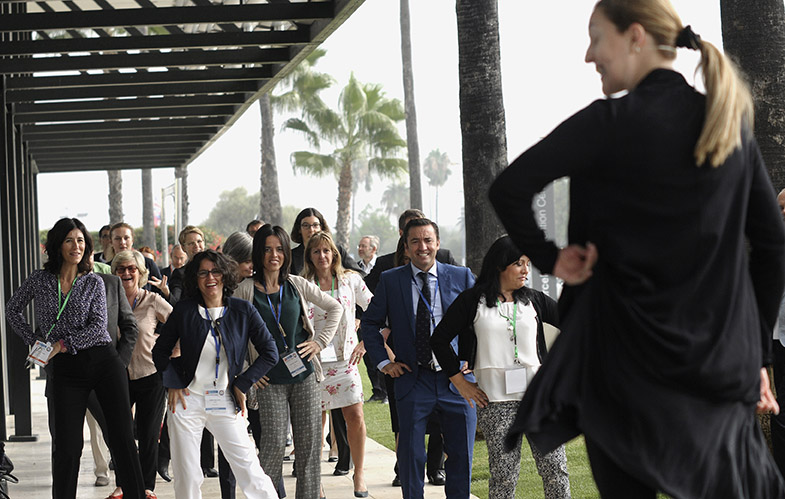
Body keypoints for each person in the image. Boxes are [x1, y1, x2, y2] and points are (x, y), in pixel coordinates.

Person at [489, 1, 785, 497]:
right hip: (713, 364)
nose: (589, 55)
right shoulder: (725, 124)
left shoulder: (608, 123)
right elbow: (773, 243)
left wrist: (552, 257)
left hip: (620, 367)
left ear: (635, 36)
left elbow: (510, 189)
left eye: (595, 37)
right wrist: (754, 353)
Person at [6, 218, 145, 499]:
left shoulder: (93, 281)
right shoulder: (40, 280)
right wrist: (34, 342)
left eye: (81, 240)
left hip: (103, 364)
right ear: (57, 245)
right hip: (66, 372)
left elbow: (97, 328)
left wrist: (60, 345)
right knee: (67, 448)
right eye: (69, 240)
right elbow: (12, 310)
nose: (76, 246)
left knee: (122, 440)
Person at [431, 236, 570, 499]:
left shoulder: (535, 301)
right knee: (504, 476)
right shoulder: (473, 301)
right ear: (499, 266)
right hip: (495, 403)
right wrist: (460, 383)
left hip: (539, 399)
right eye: (519, 263)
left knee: (556, 469)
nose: (525, 270)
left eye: (527, 263)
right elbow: (438, 340)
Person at [362, 218, 476, 499]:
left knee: (461, 457)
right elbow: (369, 324)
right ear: (406, 247)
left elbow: (481, 319)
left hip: (457, 382)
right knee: (411, 460)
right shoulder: (391, 280)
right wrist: (384, 363)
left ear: (437, 243)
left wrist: (473, 358)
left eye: (428, 240)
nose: (422, 247)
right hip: (413, 379)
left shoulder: (461, 277)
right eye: (415, 241)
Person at [151, 250, 279, 499]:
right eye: (203, 272)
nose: (210, 277)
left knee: (250, 468)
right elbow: (160, 352)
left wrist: (242, 384)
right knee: (187, 475)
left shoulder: (243, 311)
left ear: (225, 275)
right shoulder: (185, 311)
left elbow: (270, 352)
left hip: (225, 398)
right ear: (195, 279)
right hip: (188, 400)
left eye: (216, 271)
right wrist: (173, 382)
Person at [235, 224, 342, 499]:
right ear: (259, 253)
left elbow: (335, 307)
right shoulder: (244, 290)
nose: (274, 255)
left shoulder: (296, 284)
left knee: (308, 451)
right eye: (268, 249)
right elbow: (231, 338)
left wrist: (319, 342)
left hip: (304, 376)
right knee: (270, 450)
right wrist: (248, 373)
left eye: (280, 249)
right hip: (269, 381)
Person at [303, 231, 373, 498]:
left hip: (346, 359)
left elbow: (376, 310)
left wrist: (365, 341)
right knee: (313, 423)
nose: (322, 256)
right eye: (316, 251)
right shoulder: (301, 283)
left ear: (334, 253)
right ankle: (315, 481)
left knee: (354, 415)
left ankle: (359, 473)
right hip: (313, 361)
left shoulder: (350, 280)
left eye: (326, 251)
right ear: (309, 256)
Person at [106, 250, 173, 499]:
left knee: (147, 434)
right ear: (114, 274)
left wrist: (170, 353)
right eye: (121, 269)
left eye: (131, 268)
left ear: (141, 273)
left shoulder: (152, 300)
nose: (126, 273)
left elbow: (180, 326)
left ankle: (146, 486)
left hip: (151, 375)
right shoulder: (107, 302)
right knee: (119, 434)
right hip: (116, 377)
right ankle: (123, 483)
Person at [289, 207, 362, 275]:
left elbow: (360, 274)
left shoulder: (337, 250)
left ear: (321, 227)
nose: (311, 230)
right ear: (299, 229)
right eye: (306, 225)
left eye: (315, 225)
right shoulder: (291, 256)